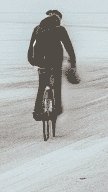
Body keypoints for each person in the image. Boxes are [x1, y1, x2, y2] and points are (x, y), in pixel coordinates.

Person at [27, 9, 77, 139]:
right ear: (58, 19)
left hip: (40, 61)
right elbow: (69, 48)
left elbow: (31, 46)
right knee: (57, 85)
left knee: (42, 85)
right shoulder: (60, 30)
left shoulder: (37, 28)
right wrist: (73, 65)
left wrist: (33, 62)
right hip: (55, 63)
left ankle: (37, 111)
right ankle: (57, 109)